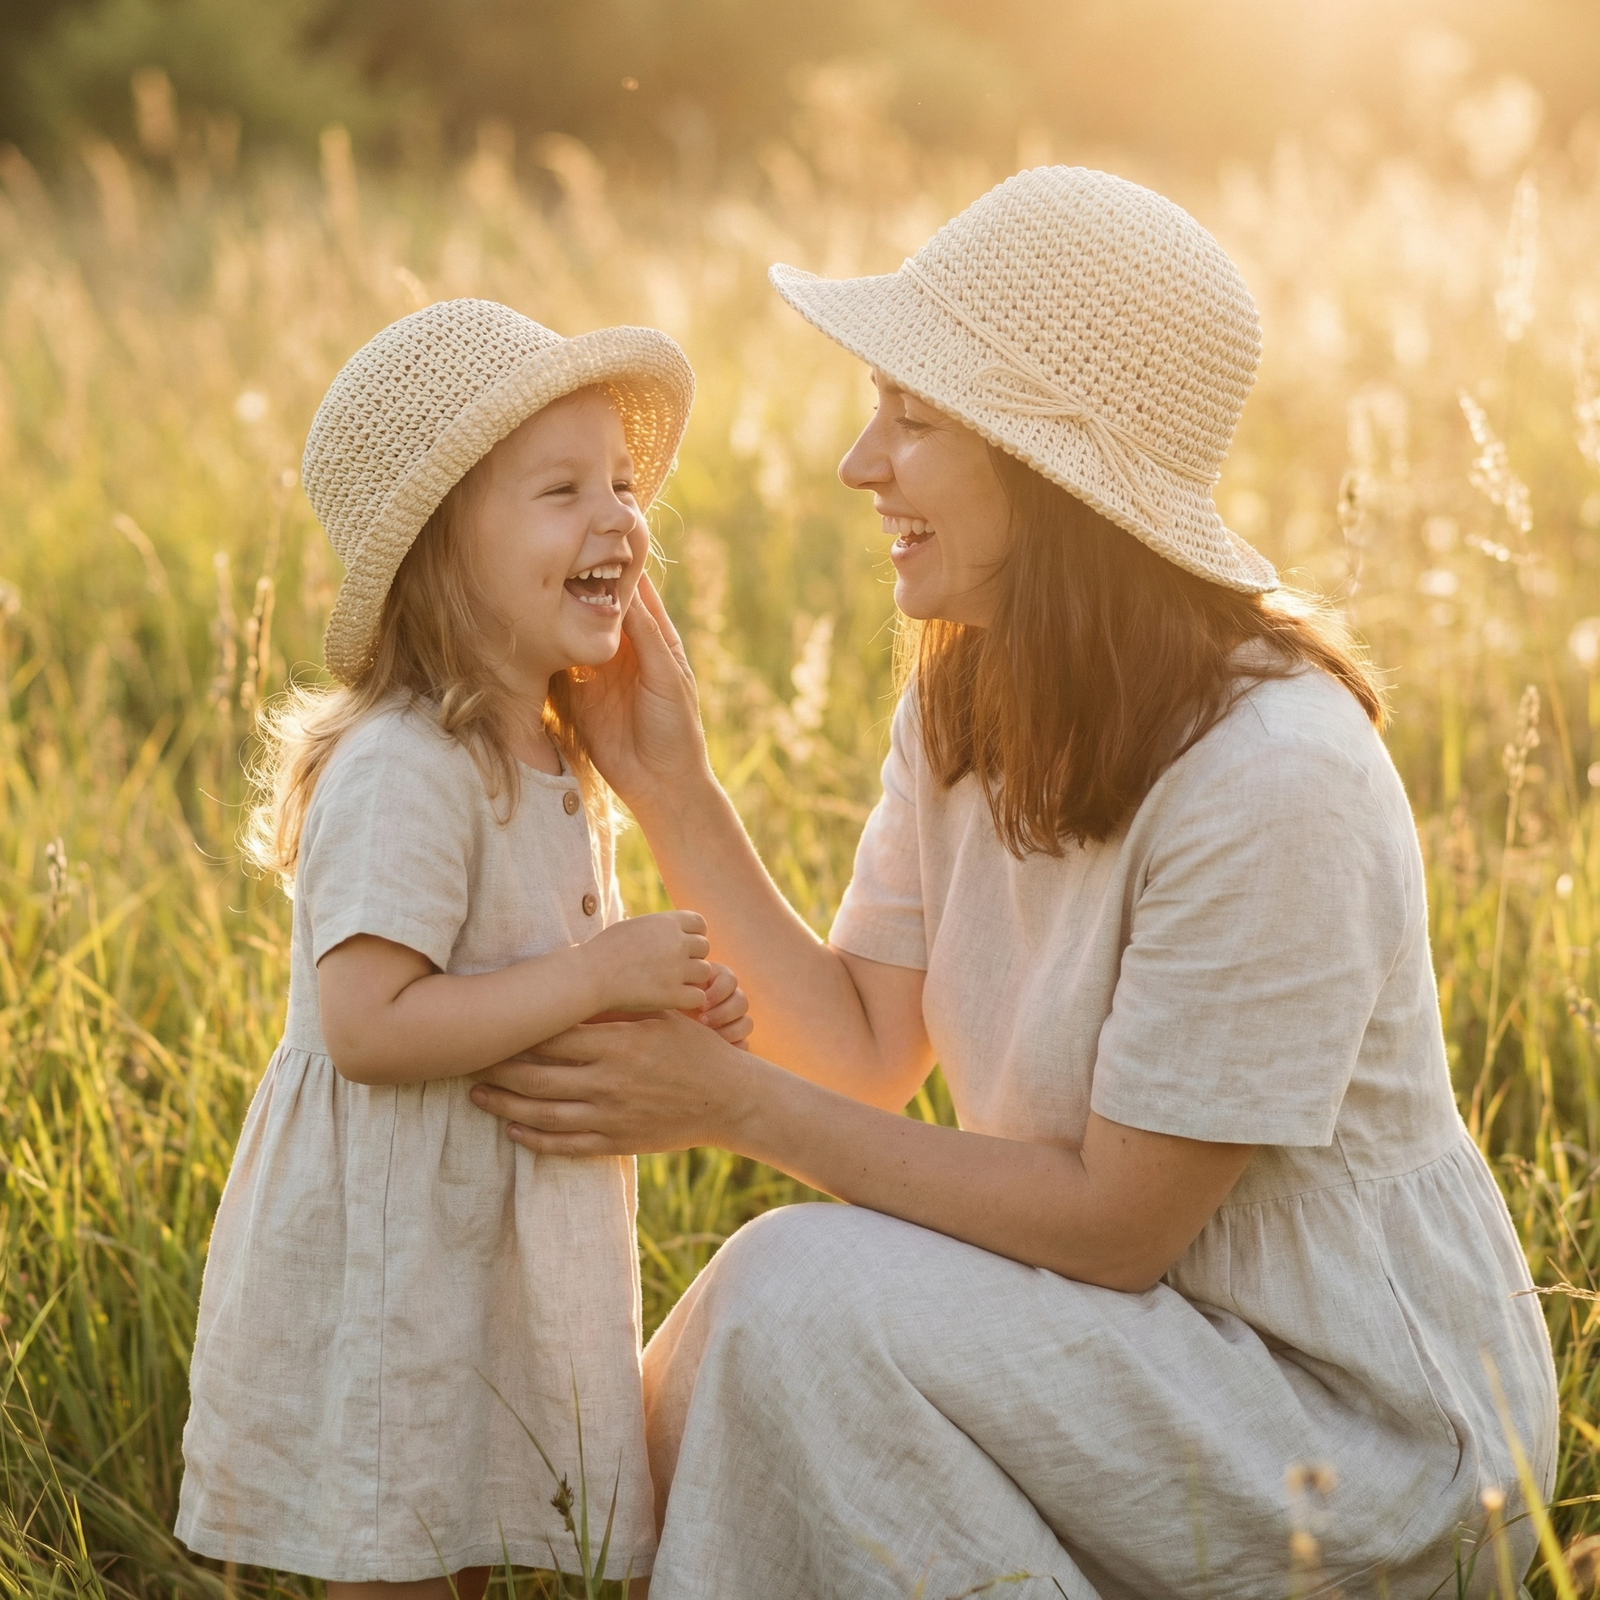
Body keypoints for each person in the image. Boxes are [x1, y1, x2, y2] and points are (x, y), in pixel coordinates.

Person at [467, 170, 1561, 1598]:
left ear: (1053, 471)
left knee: (798, 1299)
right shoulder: (973, 693)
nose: (863, 464)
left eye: (914, 422)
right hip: (1134, 1356)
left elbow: (1117, 1224)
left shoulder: (1274, 771)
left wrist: (727, 1102)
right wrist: (665, 779)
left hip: (1360, 1441)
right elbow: (859, 1047)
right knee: (790, 1314)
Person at [175, 299, 749, 1597]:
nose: (619, 519)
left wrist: (652, 1016)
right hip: (398, 1264)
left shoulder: (547, 752)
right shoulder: (406, 767)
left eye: (619, 484)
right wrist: (599, 975)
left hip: (484, 1244)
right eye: (563, 492)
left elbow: (516, 994)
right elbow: (371, 1025)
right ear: (441, 553)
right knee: (402, 1560)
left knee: (462, 1549)